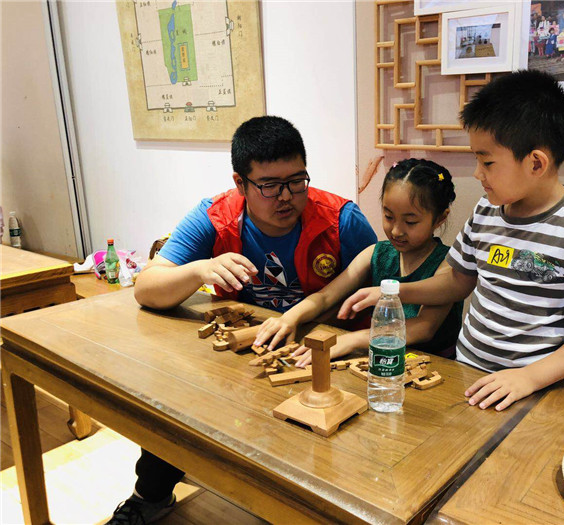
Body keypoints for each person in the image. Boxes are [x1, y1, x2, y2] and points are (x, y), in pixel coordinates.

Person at [106, 115, 377, 524]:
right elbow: (146, 288)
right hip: (248, 356)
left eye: (297, 181)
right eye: (269, 185)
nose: (286, 197)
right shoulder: (215, 215)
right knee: (173, 393)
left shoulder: (341, 220)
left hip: (323, 356)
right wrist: (199, 269)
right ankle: (150, 495)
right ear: (240, 183)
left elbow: (383, 295)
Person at [339, 70, 564, 413]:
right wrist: (394, 291)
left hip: (537, 391)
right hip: (469, 374)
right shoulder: (487, 210)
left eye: (487, 161)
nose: (478, 173)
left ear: (536, 163)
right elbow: (457, 282)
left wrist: (529, 377)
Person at [253, 158, 463, 365]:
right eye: (389, 216)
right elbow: (325, 297)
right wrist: (290, 318)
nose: (396, 230)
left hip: (434, 366)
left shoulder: (448, 265)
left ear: (440, 218)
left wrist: (352, 340)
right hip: (379, 361)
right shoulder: (376, 253)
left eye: (410, 221)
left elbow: (423, 328)